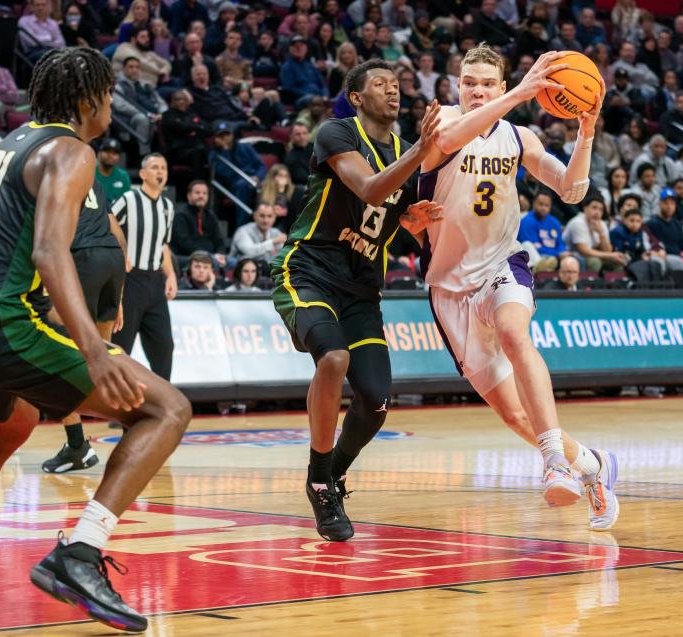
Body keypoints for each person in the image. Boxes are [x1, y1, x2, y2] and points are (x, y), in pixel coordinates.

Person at [0, 48, 192, 633]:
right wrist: (95, 351)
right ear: (86, 101)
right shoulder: (73, 150)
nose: (110, 107)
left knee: (14, 424)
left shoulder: (15, 141)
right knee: (168, 409)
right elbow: (51, 251)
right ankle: (79, 554)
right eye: (105, 95)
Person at [418, 47, 619, 529]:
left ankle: (553, 462)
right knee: (512, 415)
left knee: (514, 330)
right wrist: (525, 91)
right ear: (457, 85)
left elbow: (571, 189)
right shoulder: (439, 120)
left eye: (487, 82)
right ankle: (591, 466)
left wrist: (586, 134)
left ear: (501, 85)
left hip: (503, 264)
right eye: (469, 82)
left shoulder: (517, 136)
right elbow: (449, 140)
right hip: (449, 289)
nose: (476, 90)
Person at [270, 58, 443, 542]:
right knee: (333, 359)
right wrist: (421, 152)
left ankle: (331, 475)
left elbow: (390, 215)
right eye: (380, 85)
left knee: (377, 400)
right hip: (308, 270)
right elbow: (370, 190)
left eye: (396, 84)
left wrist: (414, 219)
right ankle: (318, 479)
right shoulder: (336, 133)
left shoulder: (409, 153)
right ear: (358, 98)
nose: (393, 90)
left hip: (362, 288)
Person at [41, 180, 128, 474]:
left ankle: (77, 445)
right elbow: (118, 235)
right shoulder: (95, 184)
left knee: (56, 351)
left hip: (82, 258)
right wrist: (119, 298)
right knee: (105, 353)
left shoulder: (52, 174)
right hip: (112, 259)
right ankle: (135, 425)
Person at [111, 153, 179, 381]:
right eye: (155, 167)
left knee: (164, 347)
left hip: (155, 283)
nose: (160, 172)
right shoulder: (128, 200)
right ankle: (119, 412)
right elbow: (107, 228)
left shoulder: (168, 207)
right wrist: (120, 255)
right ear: (142, 174)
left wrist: (170, 275)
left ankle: (162, 405)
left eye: (163, 168)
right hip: (129, 282)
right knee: (121, 348)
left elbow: (163, 245)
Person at [210, 122, 267, 227]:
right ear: (216, 139)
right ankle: (242, 226)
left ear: (232, 135)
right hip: (233, 183)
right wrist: (225, 150)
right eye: (221, 136)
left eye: (227, 134)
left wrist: (258, 177)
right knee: (243, 185)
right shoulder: (214, 154)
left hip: (254, 180)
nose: (225, 138)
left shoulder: (245, 147)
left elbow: (261, 166)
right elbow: (225, 173)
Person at [113, 56, 166, 156]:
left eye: (137, 67)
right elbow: (121, 106)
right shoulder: (118, 85)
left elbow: (160, 102)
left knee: (169, 118)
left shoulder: (145, 84)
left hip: (153, 115)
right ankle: (144, 154)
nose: (134, 70)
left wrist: (163, 113)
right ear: (124, 69)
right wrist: (148, 114)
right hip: (129, 120)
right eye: (131, 67)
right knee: (143, 118)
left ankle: (166, 154)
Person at [563, 192, 627, 273]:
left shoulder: (602, 224)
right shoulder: (577, 222)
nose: (597, 212)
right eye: (594, 208)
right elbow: (584, 251)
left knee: (617, 263)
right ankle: (588, 284)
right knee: (594, 262)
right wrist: (611, 255)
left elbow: (607, 251)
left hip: (592, 255)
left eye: (601, 210)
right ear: (585, 208)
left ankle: (614, 285)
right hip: (572, 255)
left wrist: (601, 233)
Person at [170, 179, 227, 267]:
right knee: (214, 263)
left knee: (235, 263)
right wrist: (207, 256)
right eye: (197, 193)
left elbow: (219, 240)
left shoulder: (210, 215)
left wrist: (220, 253)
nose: (201, 196)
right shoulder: (180, 215)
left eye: (205, 193)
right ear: (189, 195)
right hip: (187, 256)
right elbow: (184, 243)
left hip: (211, 256)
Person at [516, 189, 568, 272]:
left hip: (554, 256)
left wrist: (562, 252)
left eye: (547, 205)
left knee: (575, 259)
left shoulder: (554, 222)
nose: (543, 208)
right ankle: (539, 269)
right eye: (541, 204)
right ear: (534, 203)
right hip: (535, 257)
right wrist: (557, 254)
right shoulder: (526, 221)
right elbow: (535, 246)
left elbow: (560, 243)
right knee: (527, 245)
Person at [609, 206, 665, 284]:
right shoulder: (617, 232)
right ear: (625, 221)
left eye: (638, 221)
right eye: (632, 220)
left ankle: (655, 287)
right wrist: (639, 257)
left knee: (653, 263)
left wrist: (645, 255)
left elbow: (641, 250)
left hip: (634, 260)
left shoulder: (640, 233)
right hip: (617, 261)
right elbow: (620, 254)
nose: (635, 224)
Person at [93, 138, 131, 205]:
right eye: (107, 151)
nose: (111, 155)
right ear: (99, 153)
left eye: (115, 153)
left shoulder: (123, 175)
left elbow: (127, 201)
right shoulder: (90, 173)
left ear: (119, 157)